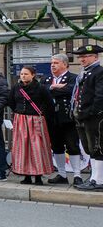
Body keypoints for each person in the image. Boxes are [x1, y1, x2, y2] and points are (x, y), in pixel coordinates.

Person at [8, 66, 54, 185]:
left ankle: (38, 176)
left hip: (36, 120)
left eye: (26, 74)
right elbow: (11, 101)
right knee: (23, 148)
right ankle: (26, 176)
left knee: (37, 148)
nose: (23, 76)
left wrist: (41, 114)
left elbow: (49, 103)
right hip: (21, 120)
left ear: (33, 75)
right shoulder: (16, 87)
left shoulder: (41, 88)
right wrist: (18, 112)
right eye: (22, 74)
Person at [43, 54, 83, 185]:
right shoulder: (46, 78)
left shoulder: (73, 77)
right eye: (52, 63)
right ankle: (62, 174)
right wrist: (54, 87)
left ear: (65, 64)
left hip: (68, 118)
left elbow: (72, 90)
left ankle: (77, 175)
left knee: (72, 146)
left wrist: (54, 89)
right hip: (51, 118)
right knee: (56, 146)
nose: (52, 65)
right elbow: (42, 91)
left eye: (56, 63)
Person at [71, 45, 103, 191]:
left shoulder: (99, 72)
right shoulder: (85, 73)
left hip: (94, 118)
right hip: (82, 117)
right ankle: (94, 178)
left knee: (97, 148)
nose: (82, 59)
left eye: (85, 56)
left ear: (95, 57)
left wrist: (90, 113)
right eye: (80, 56)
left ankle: (99, 180)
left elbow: (100, 97)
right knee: (90, 149)